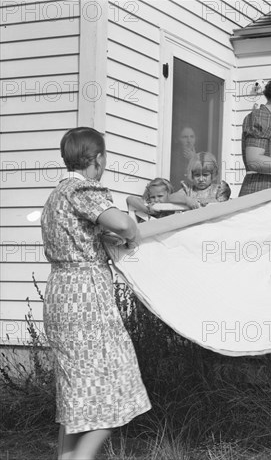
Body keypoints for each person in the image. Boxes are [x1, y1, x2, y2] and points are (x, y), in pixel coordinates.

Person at [41, 127, 151, 459]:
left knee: (78, 390)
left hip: (61, 292)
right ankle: (80, 458)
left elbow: (87, 232)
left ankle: (68, 456)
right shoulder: (82, 189)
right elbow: (122, 223)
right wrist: (131, 234)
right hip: (86, 300)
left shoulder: (56, 194)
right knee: (115, 384)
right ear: (98, 160)